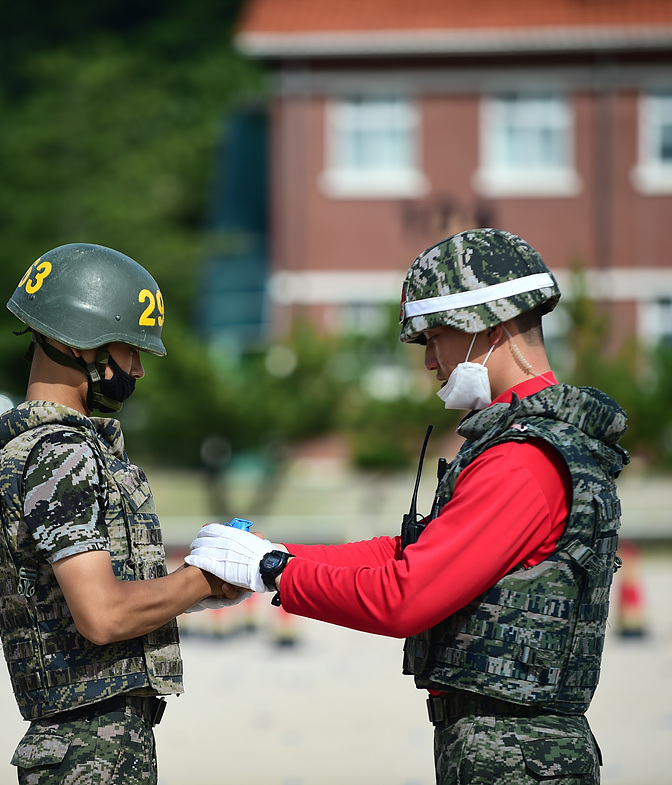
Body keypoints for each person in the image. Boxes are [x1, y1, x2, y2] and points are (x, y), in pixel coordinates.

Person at [187, 228, 630, 785]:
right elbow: (411, 553)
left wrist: (272, 572)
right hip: (510, 747)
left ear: (487, 326)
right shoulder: (528, 441)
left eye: (434, 337)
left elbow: (408, 596)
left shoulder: (521, 460)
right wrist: (274, 554)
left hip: (516, 754)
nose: (428, 362)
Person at [0, 242, 237, 784]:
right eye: (127, 349)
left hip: (86, 746)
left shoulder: (30, 448)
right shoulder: (61, 454)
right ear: (78, 342)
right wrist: (203, 579)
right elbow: (104, 614)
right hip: (90, 753)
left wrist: (203, 585)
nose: (138, 368)